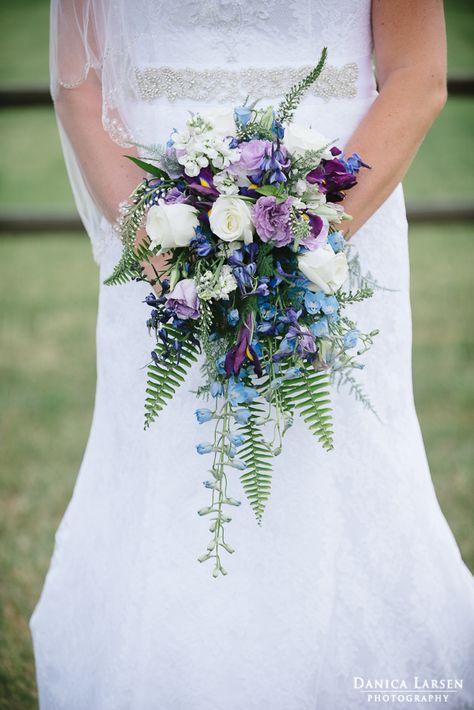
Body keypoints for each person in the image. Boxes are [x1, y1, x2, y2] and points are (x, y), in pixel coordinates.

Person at [30, 1, 474, 708]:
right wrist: (151, 241)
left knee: (336, 455)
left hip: (340, 221)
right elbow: (79, 83)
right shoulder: (152, 241)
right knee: (169, 461)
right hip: (158, 231)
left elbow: (417, 75)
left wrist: (303, 236)